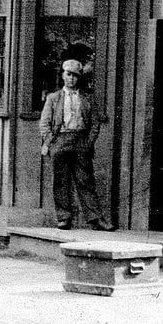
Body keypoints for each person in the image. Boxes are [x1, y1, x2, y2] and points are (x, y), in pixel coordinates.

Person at [38, 58, 110, 229]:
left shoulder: (87, 99)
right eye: (68, 74)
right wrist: (51, 142)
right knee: (61, 181)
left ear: (79, 78)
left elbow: (94, 124)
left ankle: (95, 219)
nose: (71, 78)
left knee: (86, 181)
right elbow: (44, 123)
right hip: (60, 141)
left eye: (75, 76)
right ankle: (64, 218)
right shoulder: (53, 98)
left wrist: (88, 142)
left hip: (80, 142)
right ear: (63, 75)